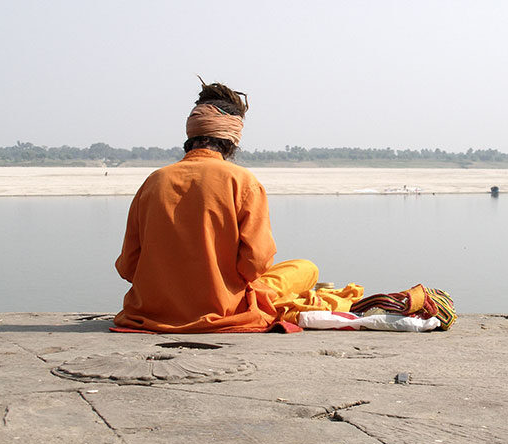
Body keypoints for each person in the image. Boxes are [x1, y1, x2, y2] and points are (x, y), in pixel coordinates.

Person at [114, 79, 362, 333]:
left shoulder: (154, 181)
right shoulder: (241, 181)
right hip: (224, 308)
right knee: (306, 268)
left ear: (191, 135)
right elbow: (255, 263)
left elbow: (128, 264)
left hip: (149, 310)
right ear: (232, 140)